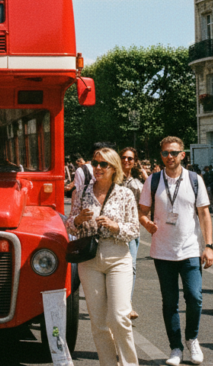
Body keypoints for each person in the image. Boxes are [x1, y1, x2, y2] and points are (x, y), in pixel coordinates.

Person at [138, 137, 213, 366]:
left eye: (173, 153)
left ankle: (192, 339)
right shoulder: (152, 181)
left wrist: (208, 246)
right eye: (164, 153)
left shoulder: (194, 179)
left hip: (190, 249)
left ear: (183, 155)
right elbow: (142, 211)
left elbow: (204, 215)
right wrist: (146, 223)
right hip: (162, 251)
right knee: (169, 302)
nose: (168, 157)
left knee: (194, 297)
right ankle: (175, 347)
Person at [67, 148, 139, 366]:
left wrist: (115, 226)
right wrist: (78, 219)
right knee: (98, 322)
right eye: (95, 163)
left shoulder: (125, 193)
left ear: (113, 167)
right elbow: (69, 224)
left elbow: (134, 229)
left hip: (117, 255)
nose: (97, 168)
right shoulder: (81, 192)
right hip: (89, 259)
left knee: (119, 317)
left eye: (103, 164)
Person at [119, 147, 145, 320]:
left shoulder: (137, 184)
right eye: (123, 158)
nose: (126, 161)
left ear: (134, 162)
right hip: (111, 231)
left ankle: (127, 304)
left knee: (131, 267)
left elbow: (144, 207)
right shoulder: (112, 179)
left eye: (130, 159)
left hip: (132, 230)